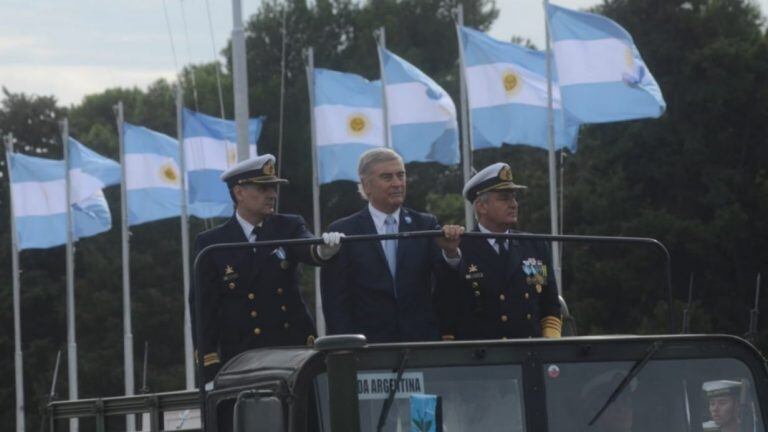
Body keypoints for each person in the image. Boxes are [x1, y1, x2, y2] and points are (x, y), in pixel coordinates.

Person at [190, 154, 343, 384]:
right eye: (263, 189)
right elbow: (204, 310)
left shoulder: (288, 226)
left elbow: (306, 246)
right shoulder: (212, 242)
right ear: (239, 192)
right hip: (242, 358)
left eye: (273, 188)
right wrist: (209, 368)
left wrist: (323, 250)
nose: (272, 194)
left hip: (292, 352)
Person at [320, 148, 463, 343]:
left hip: (420, 343)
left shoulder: (425, 225)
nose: (397, 183)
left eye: (401, 175)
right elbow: (335, 300)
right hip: (368, 348)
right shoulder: (344, 231)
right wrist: (345, 346)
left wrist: (451, 252)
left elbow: (446, 286)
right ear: (366, 185)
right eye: (387, 177)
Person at [438, 162, 561, 340]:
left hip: (531, 352)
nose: (513, 204)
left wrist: (550, 344)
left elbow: (550, 305)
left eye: (514, 197)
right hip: (484, 358)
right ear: (481, 206)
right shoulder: (459, 248)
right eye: (504, 198)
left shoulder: (534, 245)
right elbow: (447, 308)